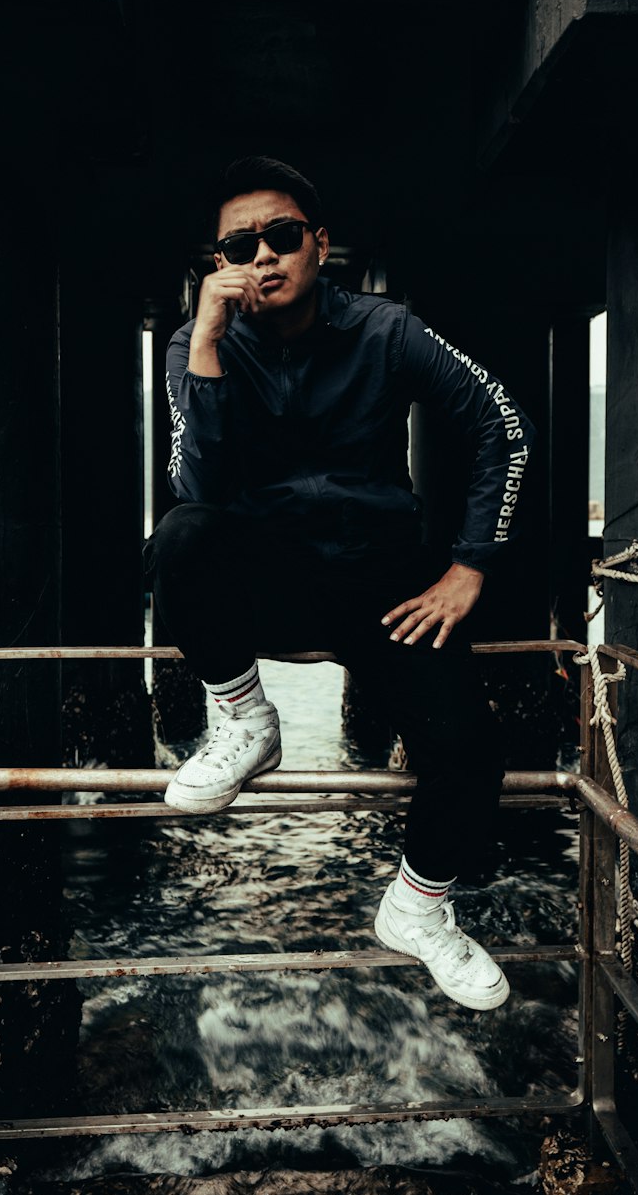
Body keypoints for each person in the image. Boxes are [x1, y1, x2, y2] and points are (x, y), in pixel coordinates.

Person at [146, 157, 534, 1012]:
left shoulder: (387, 330)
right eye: (239, 246)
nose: (264, 257)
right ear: (217, 263)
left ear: (321, 244)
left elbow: (502, 426)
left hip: (380, 578)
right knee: (178, 539)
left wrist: (470, 564)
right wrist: (206, 340)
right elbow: (197, 489)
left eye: (282, 236)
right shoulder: (193, 346)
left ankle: (419, 910)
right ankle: (246, 720)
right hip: (264, 576)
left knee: (469, 748)